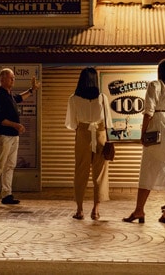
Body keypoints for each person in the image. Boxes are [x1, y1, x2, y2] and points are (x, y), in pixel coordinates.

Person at [123, 58, 165, 224]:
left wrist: (143, 133)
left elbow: (148, 111)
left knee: (148, 169)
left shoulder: (156, 85)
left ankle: (139, 210)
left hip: (159, 131)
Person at [0, 68, 41, 206]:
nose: (13, 80)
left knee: (10, 165)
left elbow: (20, 98)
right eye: (11, 78)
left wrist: (32, 90)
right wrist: (15, 125)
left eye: (14, 78)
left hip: (13, 136)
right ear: (2, 79)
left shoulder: (10, 95)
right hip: (3, 135)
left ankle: (7, 194)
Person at [65, 67, 113, 221]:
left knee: (80, 172)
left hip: (83, 135)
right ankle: (96, 210)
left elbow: (72, 123)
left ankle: (79, 210)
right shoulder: (102, 97)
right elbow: (107, 121)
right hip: (100, 135)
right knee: (100, 174)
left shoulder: (73, 98)